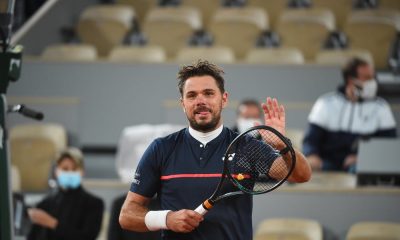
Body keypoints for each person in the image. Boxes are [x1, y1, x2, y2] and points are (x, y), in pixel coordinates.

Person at [119, 60, 311, 240]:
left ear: (224, 99)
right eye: (192, 95)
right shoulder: (161, 149)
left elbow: (301, 176)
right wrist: (166, 219)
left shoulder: (246, 147)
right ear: (182, 104)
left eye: (209, 93)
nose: (200, 100)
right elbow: (127, 216)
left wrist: (282, 145)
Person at [302, 58, 397, 172]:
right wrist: (312, 156)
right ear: (351, 81)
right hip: (326, 165)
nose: (373, 82)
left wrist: (362, 159)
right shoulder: (325, 103)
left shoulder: (382, 108)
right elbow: (311, 140)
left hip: (361, 167)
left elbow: (388, 147)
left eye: (373, 77)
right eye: (367, 78)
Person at [27, 147, 104, 240]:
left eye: (74, 169)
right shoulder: (45, 204)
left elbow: (88, 237)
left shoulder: (94, 204)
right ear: (56, 171)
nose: (70, 172)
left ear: (82, 172)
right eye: (65, 169)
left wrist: (52, 223)